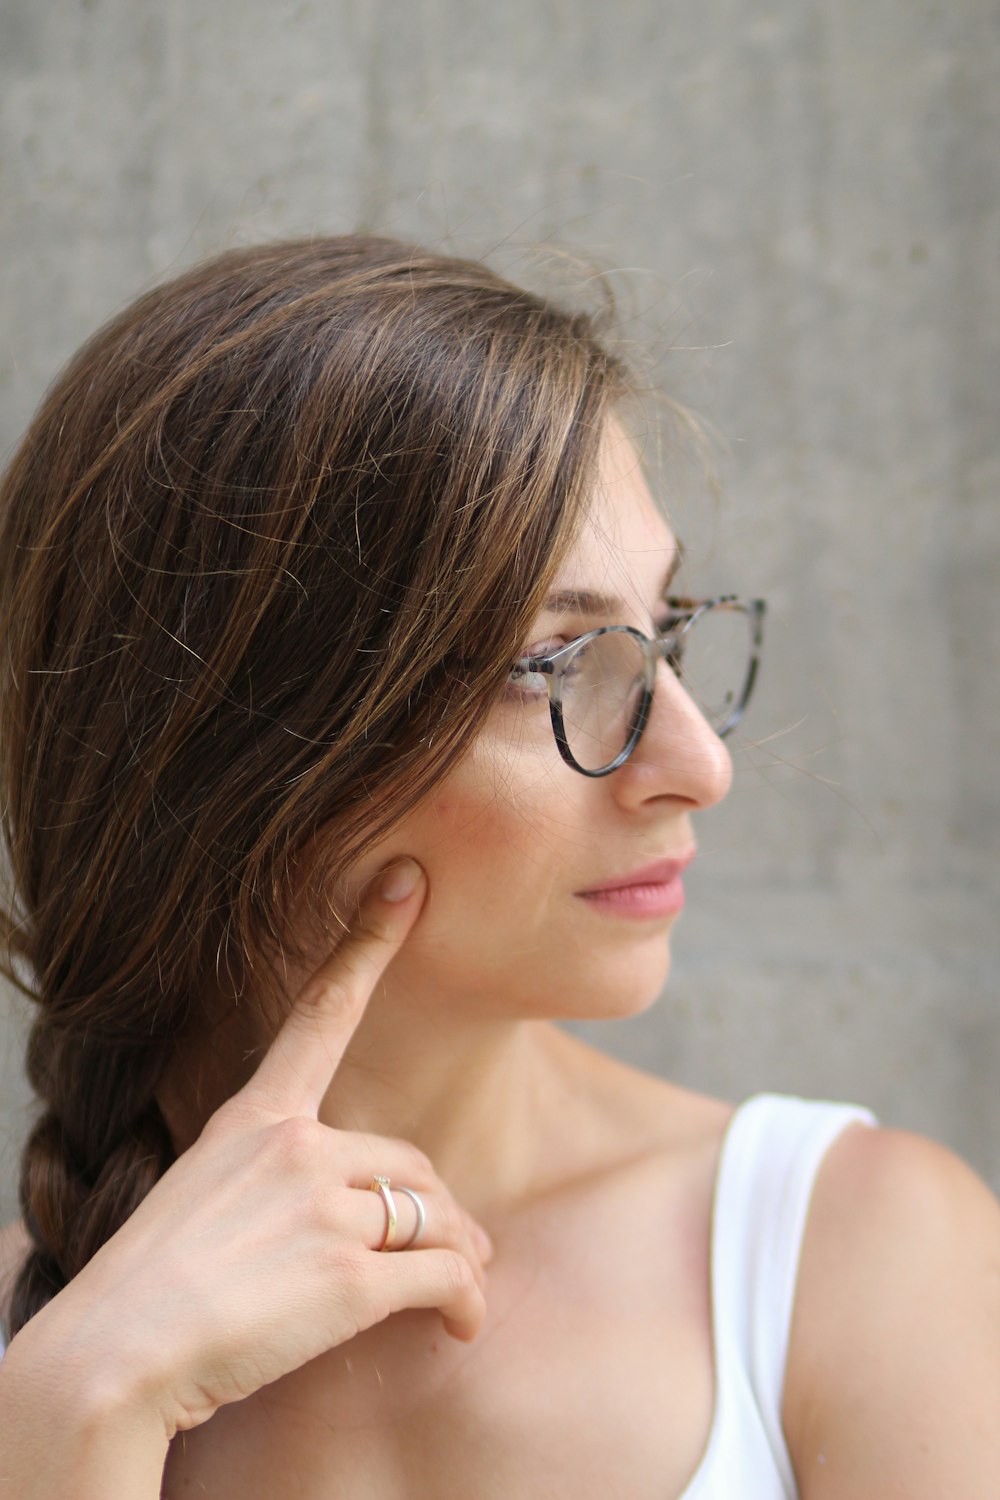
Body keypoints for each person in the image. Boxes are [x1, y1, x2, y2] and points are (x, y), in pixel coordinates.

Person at [0, 236, 997, 1500]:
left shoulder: (848, 1256)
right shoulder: (46, 1371)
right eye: (557, 664)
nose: (697, 765)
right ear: (240, 759)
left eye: (663, 635)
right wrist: (73, 1426)